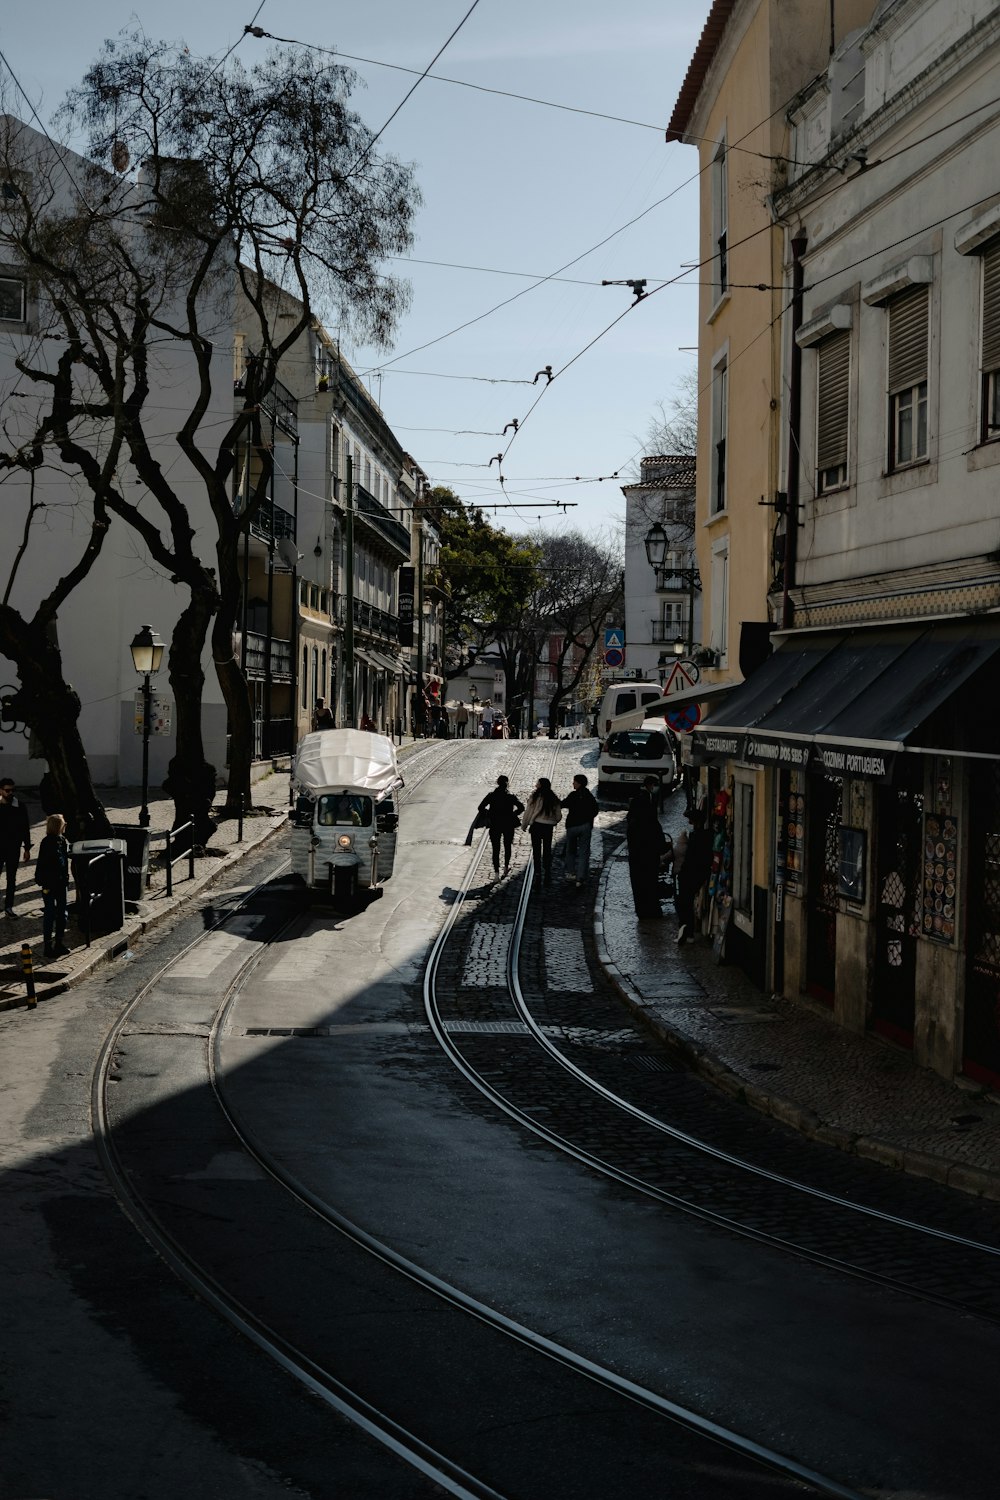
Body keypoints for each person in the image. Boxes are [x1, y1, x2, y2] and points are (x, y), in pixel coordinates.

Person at [626, 774, 667, 919]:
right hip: (647, 852)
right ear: (651, 785)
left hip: (638, 853)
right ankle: (650, 909)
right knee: (649, 881)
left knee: (639, 881)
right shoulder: (646, 807)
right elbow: (655, 828)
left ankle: (643, 910)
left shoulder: (635, 815)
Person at [34, 813, 71, 958]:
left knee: (62, 914)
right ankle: (48, 946)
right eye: (63, 824)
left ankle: (59, 942)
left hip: (61, 883)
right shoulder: (48, 842)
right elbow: (50, 863)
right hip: (50, 883)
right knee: (50, 914)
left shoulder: (62, 841)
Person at [675, 806, 714, 945]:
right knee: (686, 902)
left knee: (684, 903)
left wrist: (682, 872)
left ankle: (687, 931)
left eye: (691, 820)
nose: (689, 822)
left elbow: (690, 858)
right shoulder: (706, 835)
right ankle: (687, 930)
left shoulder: (697, 837)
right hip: (699, 874)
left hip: (691, 874)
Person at [477, 775, 524, 877]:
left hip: (495, 824)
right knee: (507, 846)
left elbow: (480, 807)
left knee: (496, 849)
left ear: (497, 783)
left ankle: (496, 873)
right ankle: (506, 867)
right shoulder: (511, 796)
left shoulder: (491, 795)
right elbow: (521, 807)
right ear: (507, 784)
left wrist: (489, 814)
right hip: (508, 824)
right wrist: (513, 814)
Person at [559, 773, 599, 889]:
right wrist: (587, 819)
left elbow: (563, 804)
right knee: (584, 852)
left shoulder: (573, 795)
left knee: (570, 851)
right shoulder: (589, 796)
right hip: (585, 826)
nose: (573, 783)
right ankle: (580, 877)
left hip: (572, 826)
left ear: (579, 783)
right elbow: (595, 810)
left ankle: (571, 873)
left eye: (574, 782)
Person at [521, 776, 563, 885]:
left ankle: (538, 873)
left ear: (540, 785)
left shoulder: (535, 797)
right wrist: (553, 821)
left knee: (536, 850)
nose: (535, 785)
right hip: (548, 828)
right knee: (547, 850)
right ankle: (547, 872)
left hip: (537, 826)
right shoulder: (553, 798)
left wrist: (524, 825)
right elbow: (558, 816)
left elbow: (529, 812)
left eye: (537, 783)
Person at [0, 777, 32, 919]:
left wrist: (27, 848)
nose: (10, 793)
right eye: (7, 790)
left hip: (13, 847)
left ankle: (9, 906)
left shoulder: (19, 806)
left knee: (11, 878)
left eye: (12, 790)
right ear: (1, 790)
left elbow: (25, 827)